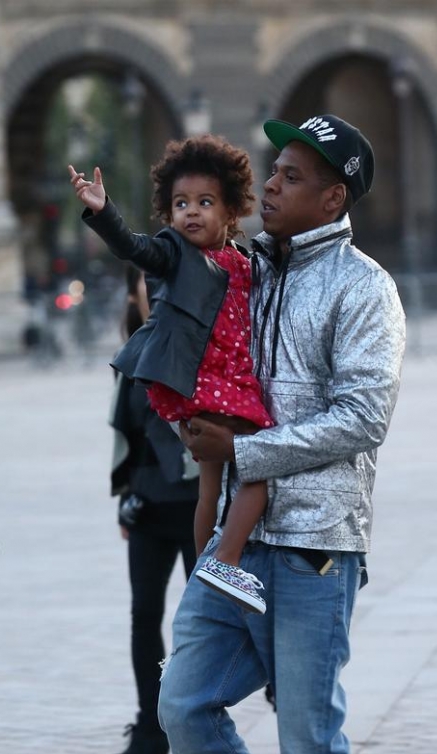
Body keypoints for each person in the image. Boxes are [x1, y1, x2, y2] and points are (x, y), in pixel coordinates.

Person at [164, 114, 404, 754]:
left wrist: (242, 454)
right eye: (272, 171)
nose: (269, 186)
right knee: (184, 708)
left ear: (333, 197)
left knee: (311, 745)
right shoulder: (250, 270)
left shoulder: (364, 287)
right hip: (236, 539)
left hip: (312, 548)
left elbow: (362, 417)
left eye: (292, 176)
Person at [70, 134, 277, 615]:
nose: (192, 213)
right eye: (181, 203)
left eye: (205, 202)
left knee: (214, 483)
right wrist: (104, 213)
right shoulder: (173, 252)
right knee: (263, 464)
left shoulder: (244, 261)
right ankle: (223, 561)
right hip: (202, 381)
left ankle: (209, 566)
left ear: (230, 211)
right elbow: (135, 249)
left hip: (231, 378)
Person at [108, 264, 201, 754]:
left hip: (196, 504)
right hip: (147, 506)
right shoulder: (132, 352)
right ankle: (151, 725)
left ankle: (197, 720)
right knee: (144, 616)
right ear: (135, 292)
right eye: (146, 281)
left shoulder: (197, 344)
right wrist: (126, 494)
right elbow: (128, 436)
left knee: (202, 620)